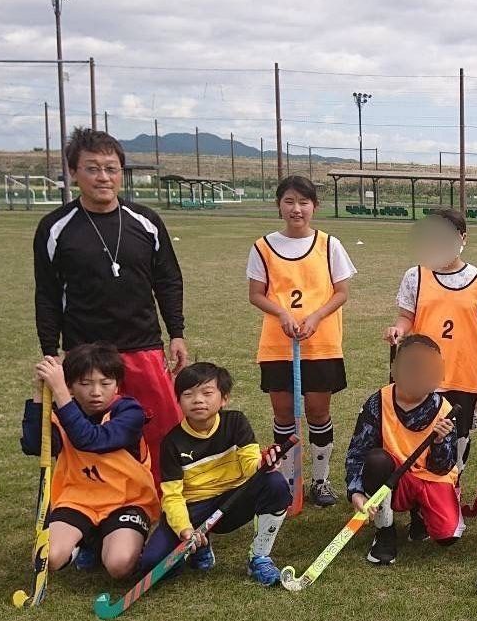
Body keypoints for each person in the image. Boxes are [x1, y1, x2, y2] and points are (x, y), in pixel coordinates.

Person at [33, 128, 186, 496]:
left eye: (111, 168)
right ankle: (96, 504)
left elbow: (168, 280)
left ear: (120, 172)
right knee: (86, 434)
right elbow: (47, 294)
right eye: (92, 168)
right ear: (73, 172)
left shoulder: (146, 221)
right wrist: (50, 351)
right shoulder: (55, 228)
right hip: (85, 354)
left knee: (162, 430)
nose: (103, 177)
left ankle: (164, 502)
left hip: (143, 346)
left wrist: (177, 333)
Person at [247, 175, 356, 507]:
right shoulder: (263, 247)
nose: (297, 209)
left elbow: (341, 292)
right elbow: (256, 294)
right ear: (279, 205)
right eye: (289, 201)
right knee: (283, 413)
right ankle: (288, 480)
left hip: (321, 343)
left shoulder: (329, 244)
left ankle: (320, 481)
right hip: (277, 345)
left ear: (314, 207)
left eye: (304, 202)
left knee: (318, 412)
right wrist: (281, 313)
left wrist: (316, 317)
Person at [140, 363, 291, 586]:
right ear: (178, 401)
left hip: (233, 501)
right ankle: (200, 545)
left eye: (207, 393)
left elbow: (250, 465)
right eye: (188, 394)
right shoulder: (171, 442)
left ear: (224, 399)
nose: (198, 400)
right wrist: (185, 530)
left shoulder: (236, 422)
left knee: (275, 483)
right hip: (193, 509)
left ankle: (259, 557)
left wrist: (264, 462)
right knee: (152, 565)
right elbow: (172, 496)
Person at [20, 343, 159, 578]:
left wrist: (61, 393)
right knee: (47, 558)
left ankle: (110, 541)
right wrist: (40, 393)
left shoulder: (130, 411)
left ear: (117, 385)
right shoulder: (61, 411)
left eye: (105, 383)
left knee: (118, 565)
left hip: (127, 500)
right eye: (85, 384)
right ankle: (86, 542)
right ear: (71, 386)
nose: (96, 392)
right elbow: (33, 445)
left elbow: (91, 439)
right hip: (77, 499)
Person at [384, 208, 477, 479]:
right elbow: (406, 317)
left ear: (463, 238)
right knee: (420, 431)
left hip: (464, 373)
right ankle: (418, 486)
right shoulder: (416, 275)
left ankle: (453, 487)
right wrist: (398, 329)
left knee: (459, 433)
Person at [345, 335, 462, 565]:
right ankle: (385, 531)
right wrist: (356, 492)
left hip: (430, 478)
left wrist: (440, 442)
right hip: (394, 477)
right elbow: (358, 452)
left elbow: (443, 468)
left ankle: (420, 515)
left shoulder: (445, 410)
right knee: (376, 460)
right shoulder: (378, 402)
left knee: (447, 536)